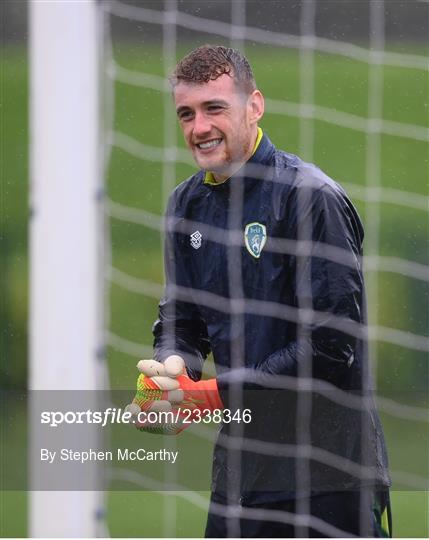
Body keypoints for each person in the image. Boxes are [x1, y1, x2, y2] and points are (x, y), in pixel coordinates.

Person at [131, 45, 392, 537]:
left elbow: (332, 348)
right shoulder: (185, 205)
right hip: (242, 475)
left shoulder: (309, 197)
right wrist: (169, 380)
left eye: (214, 109)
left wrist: (210, 395)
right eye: (186, 114)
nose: (199, 127)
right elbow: (181, 320)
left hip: (327, 475)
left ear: (255, 106)